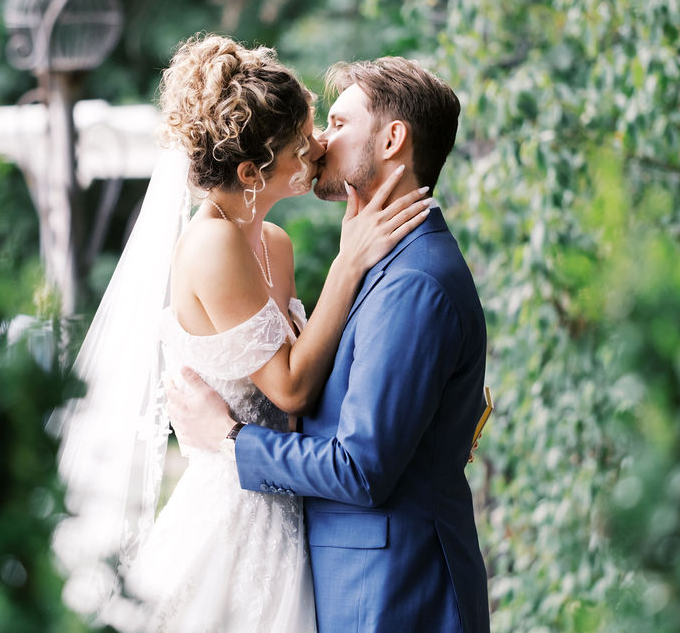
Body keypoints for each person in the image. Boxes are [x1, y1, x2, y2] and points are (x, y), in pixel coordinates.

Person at [53, 36, 432, 632]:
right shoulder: (211, 245)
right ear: (253, 172)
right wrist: (347, 265)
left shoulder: (272, 243)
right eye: (300, 143)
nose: (317, 149)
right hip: (237, 512)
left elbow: (313, 365)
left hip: (290, 499)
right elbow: (287, 389)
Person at [167, 57, 491, 632]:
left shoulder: (412, 281)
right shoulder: (379, 262)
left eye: (338, 124)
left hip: (392, 593)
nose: (318, 142)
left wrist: (229, 438)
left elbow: (360, 466)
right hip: (318, 565)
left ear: (393, 140)